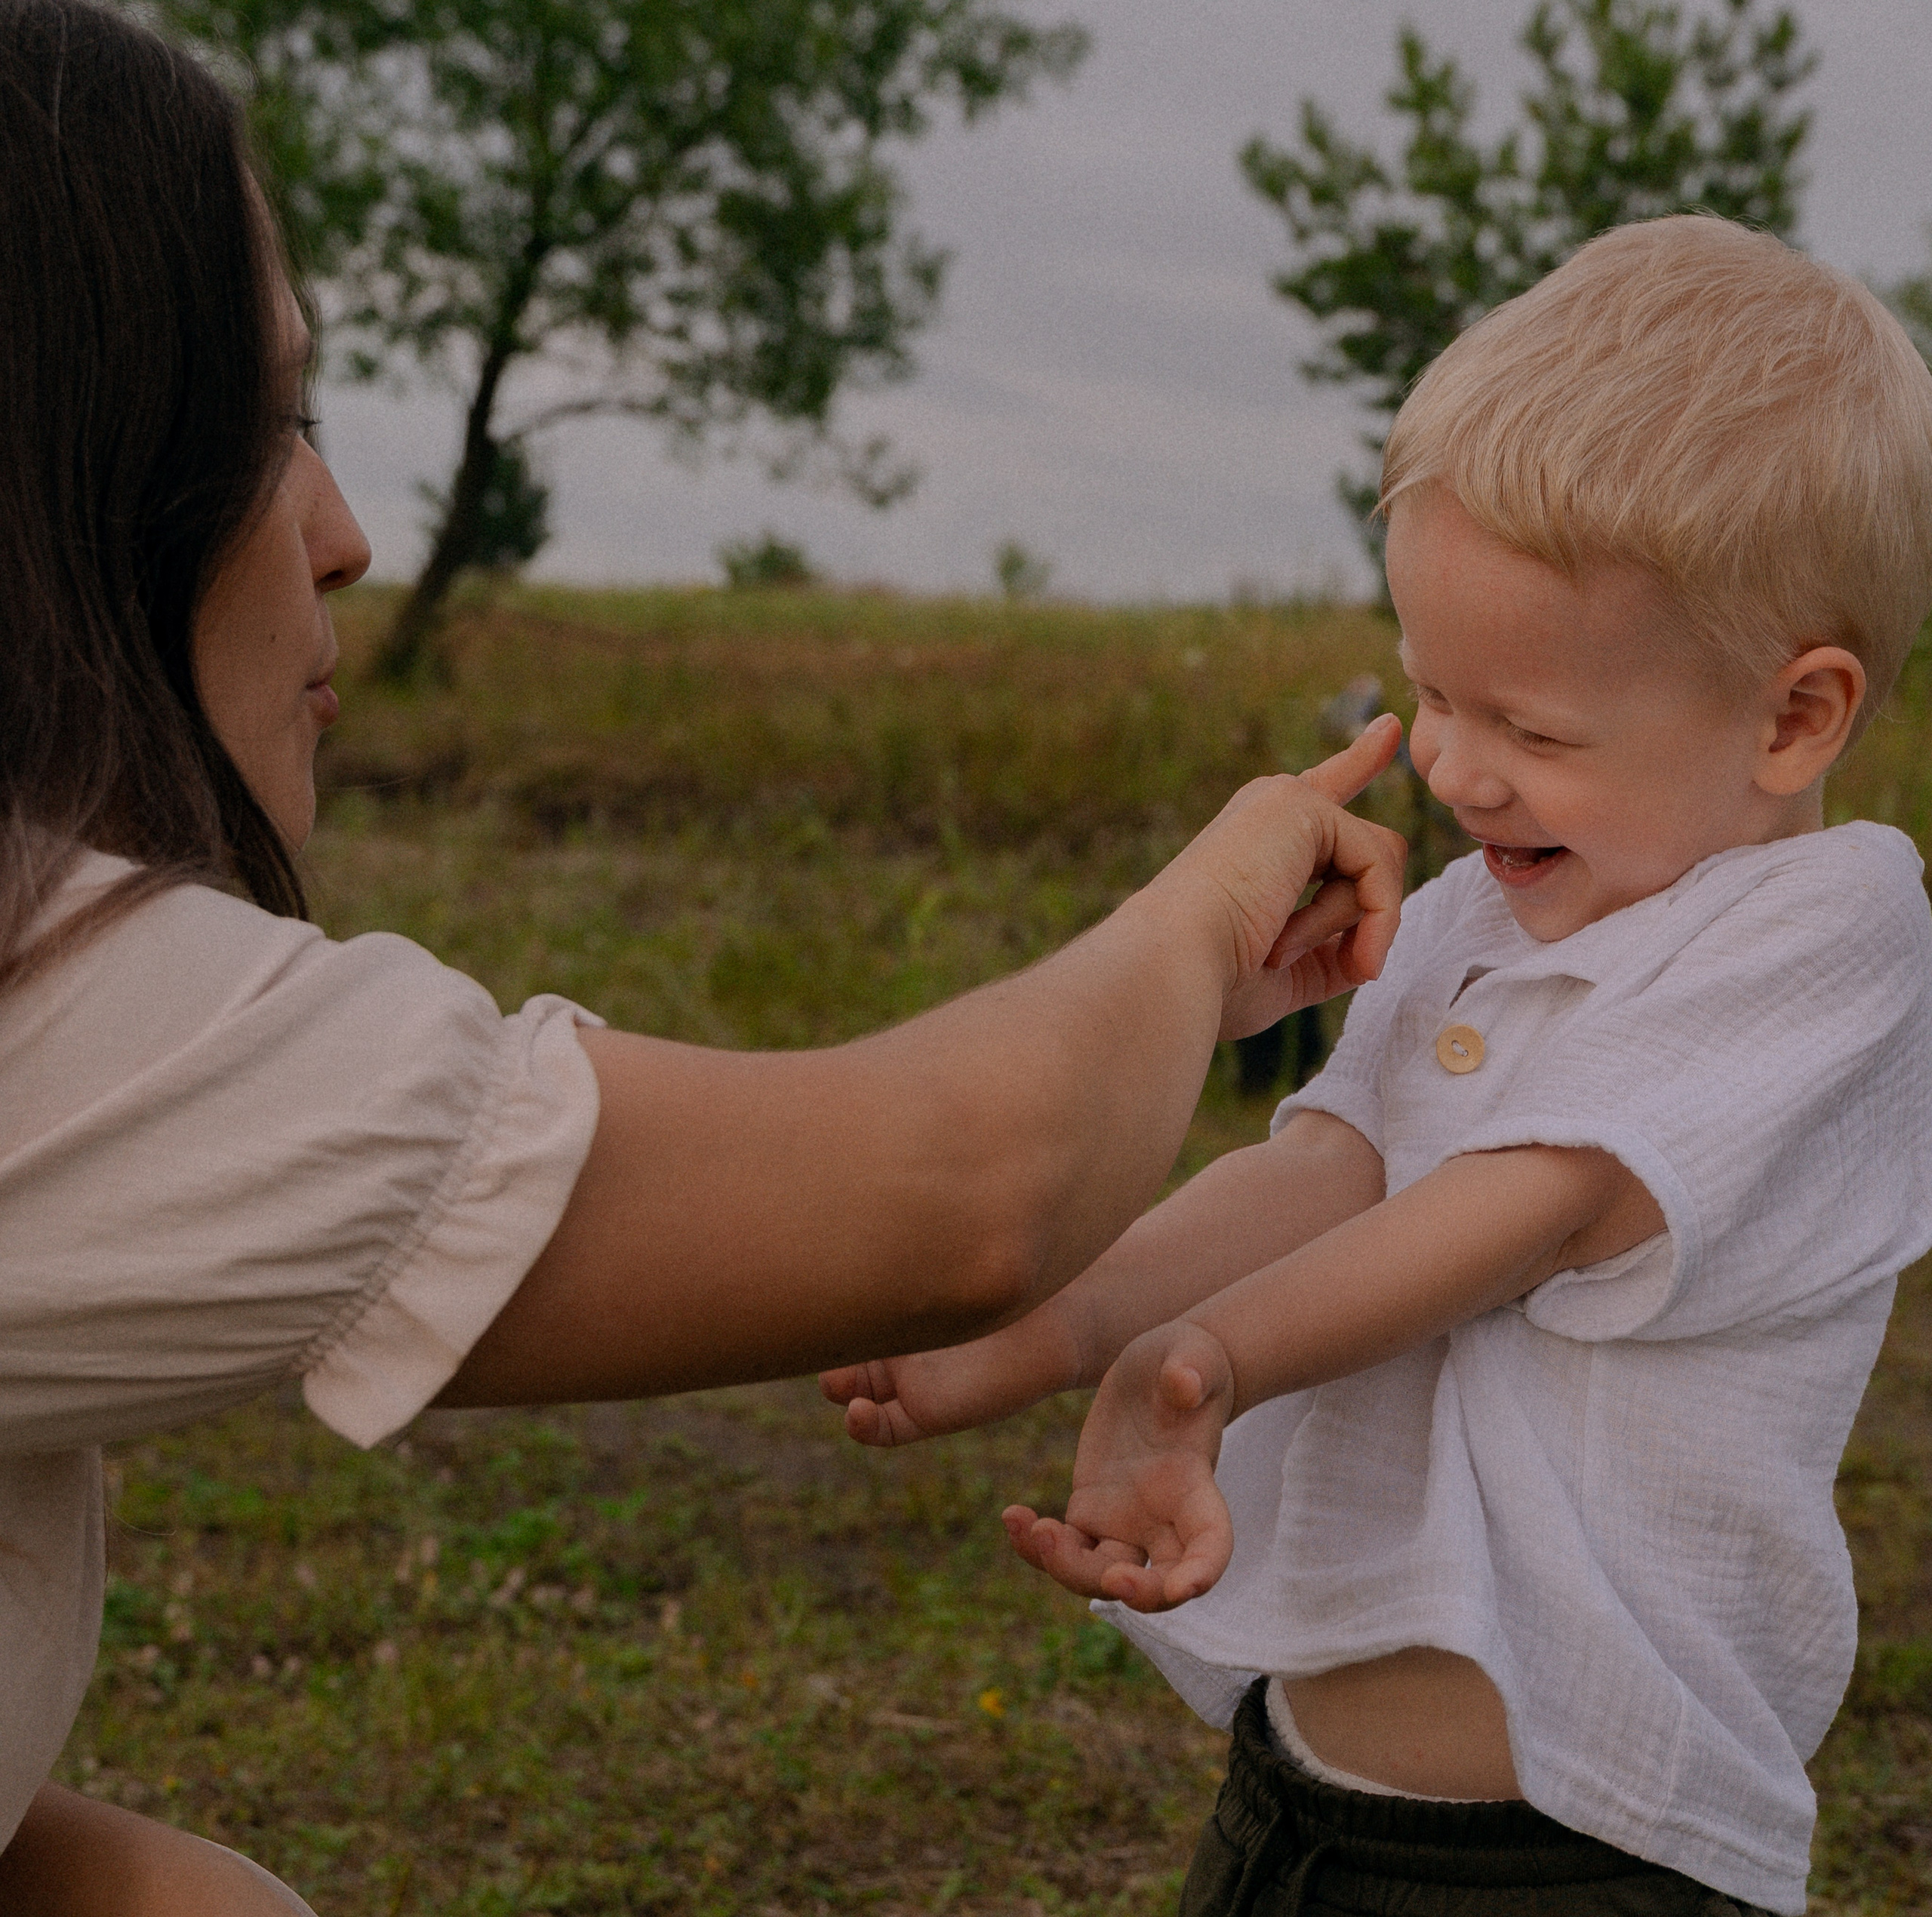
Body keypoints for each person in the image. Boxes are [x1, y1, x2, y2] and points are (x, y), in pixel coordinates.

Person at [0, 3, 1413, 1912]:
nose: (340, 533)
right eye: (259, 426)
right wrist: (1216, 894)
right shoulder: (63, 1016)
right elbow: (955, 1193)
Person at [825, 214, 1932, 1917]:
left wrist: (1207, 1362)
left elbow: (1527, 1207)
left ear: (1792, 718)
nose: (1459, 773)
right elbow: (1330, 1163)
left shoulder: (1821, 934)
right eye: (1431, 693)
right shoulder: (1473, 917)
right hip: (1306, 1801)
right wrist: (1052, 1321)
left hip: (1575, 1853)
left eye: (1536, 731)